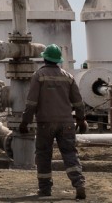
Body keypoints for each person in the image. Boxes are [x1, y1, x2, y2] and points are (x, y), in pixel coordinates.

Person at [19, 44, 88, 200]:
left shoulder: (39, 76)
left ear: (44, 58)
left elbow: (31, 103)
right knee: (70, 153)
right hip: (67, 123)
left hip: (45, 123)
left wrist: (25, 122)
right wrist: (81, 119)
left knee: (43, 155)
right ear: (58, 60)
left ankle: (45, 189)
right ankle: (79, 184)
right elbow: (78, 102)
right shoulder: (68, 77)